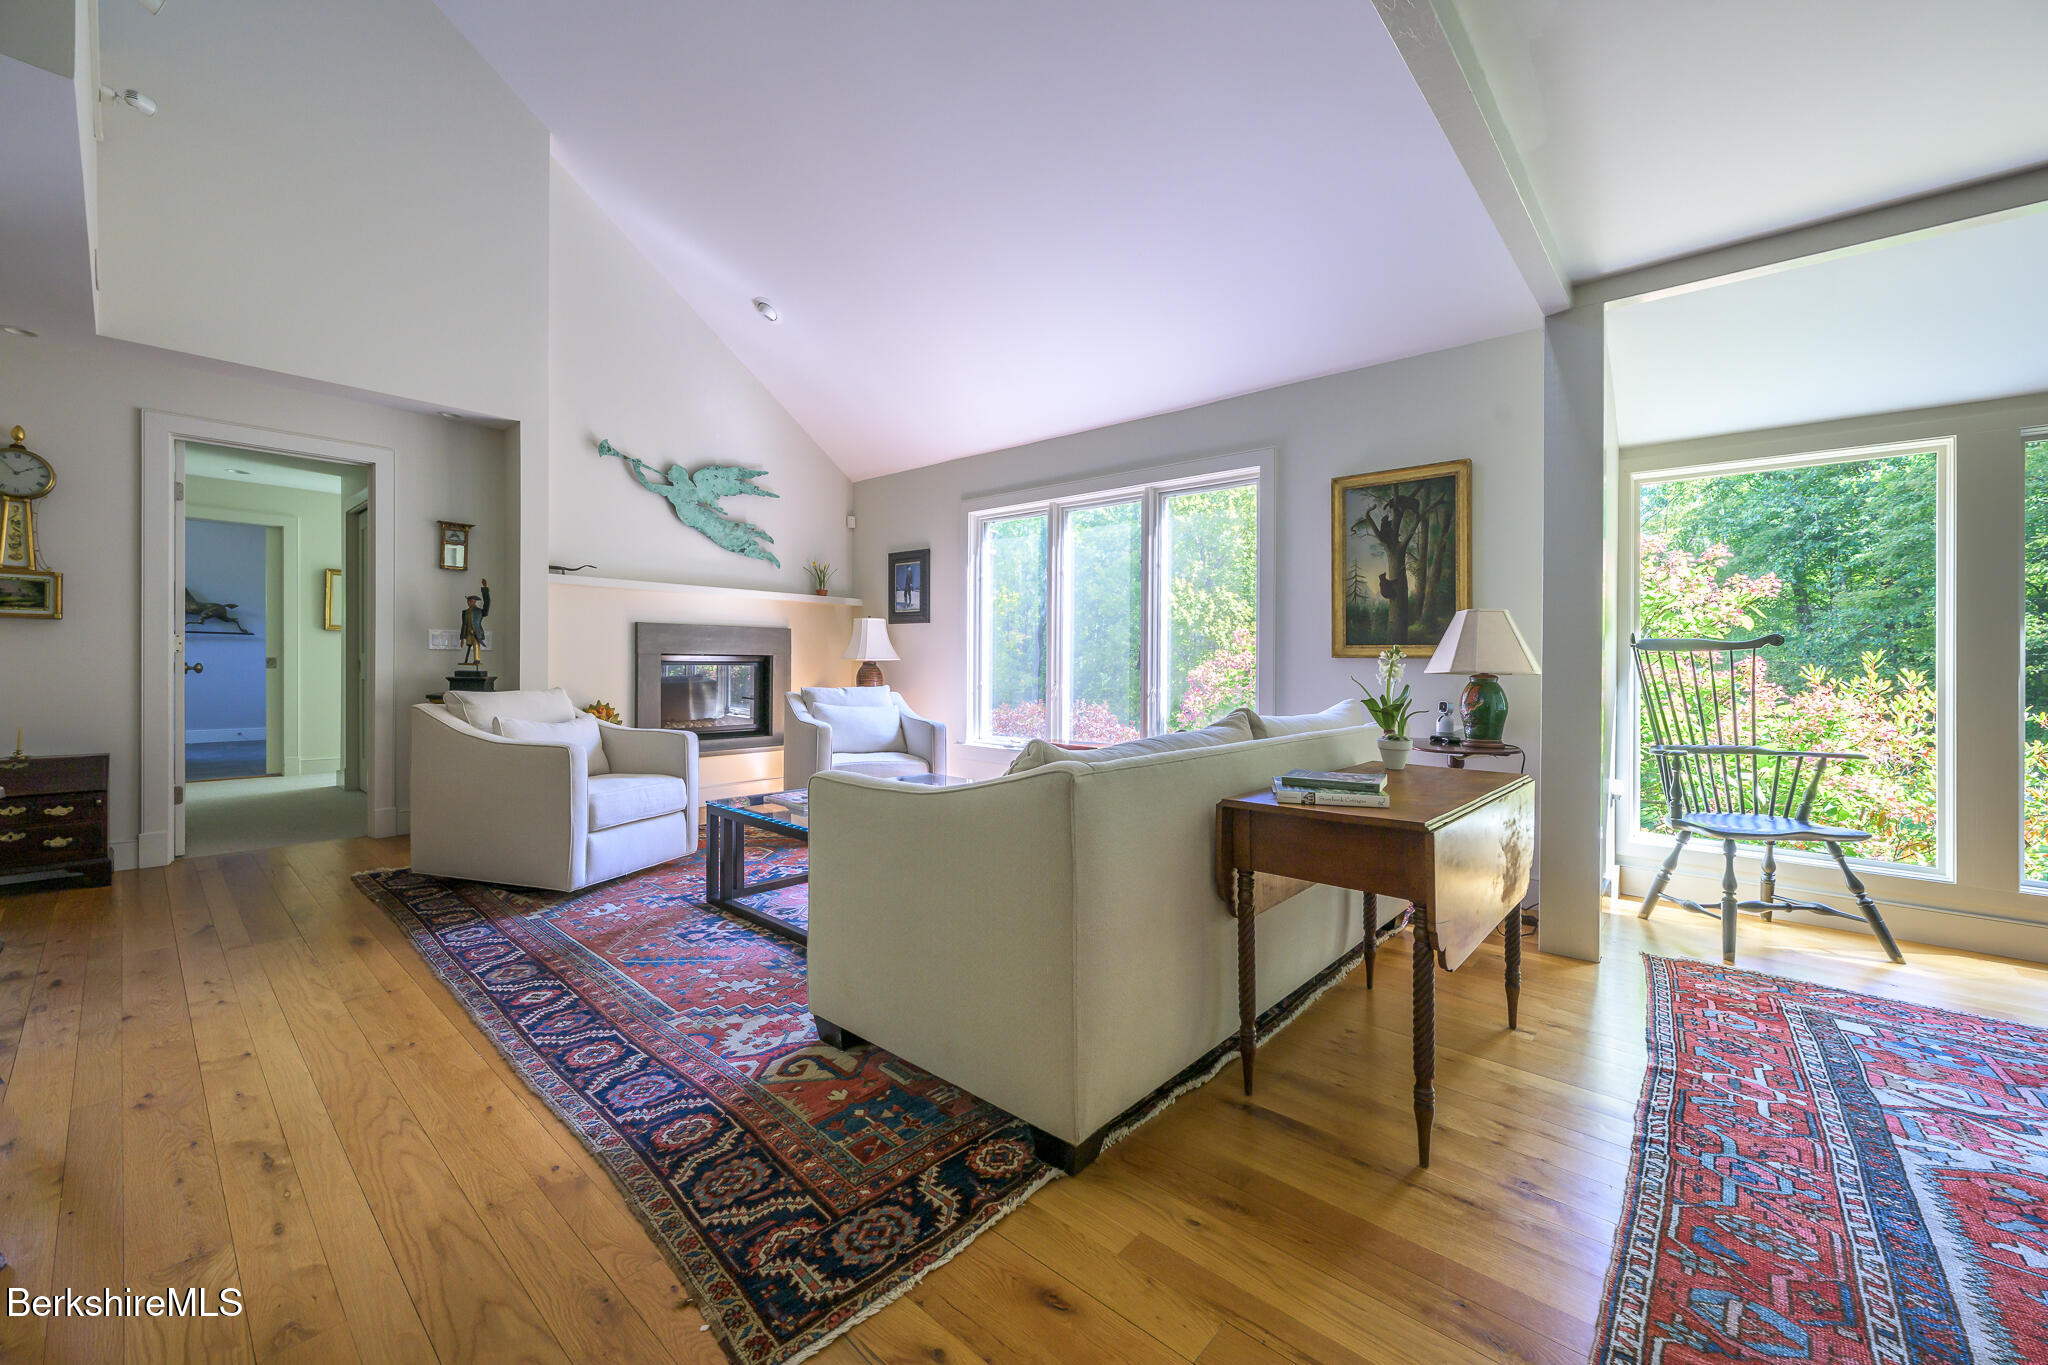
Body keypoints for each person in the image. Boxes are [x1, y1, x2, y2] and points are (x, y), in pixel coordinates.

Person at [458, 578, 490, 669]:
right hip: (468, 633)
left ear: (475, 601)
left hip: (476, 633)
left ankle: (477, 659)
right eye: (468, 601)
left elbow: (487, 604)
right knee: (469, 644)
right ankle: (468, 659)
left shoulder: (479, 612)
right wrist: (462, 638)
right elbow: (463, 624)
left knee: (476, 645)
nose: (469, 602)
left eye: (471, 601)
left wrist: (485, 589)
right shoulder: (465, 612)